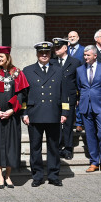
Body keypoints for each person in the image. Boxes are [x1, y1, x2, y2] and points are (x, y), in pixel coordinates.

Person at [22, 42, 69, 187]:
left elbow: (64, 93)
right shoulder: (28, 70)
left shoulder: (59, 70)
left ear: (50, 54)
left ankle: (54, 175)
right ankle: (37, 176)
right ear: (37, 54)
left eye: (47, 53)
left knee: (53, 147)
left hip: (53, 113)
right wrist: (24, 113)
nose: (44, 55)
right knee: (35, 147)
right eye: (41, 53)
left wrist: (65, 112)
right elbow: (23, 95)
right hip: (34, 114)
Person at [0, 46, 29, 188]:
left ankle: (8, 175)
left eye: (1, 56)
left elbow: (21, 95)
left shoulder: (17, 73)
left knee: (11, 146)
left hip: (11, 117)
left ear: (8, 57)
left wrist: (12, 110)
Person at [77, 45, 101, 173]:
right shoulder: (80, 70)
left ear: (95, 56)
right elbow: (80, 87)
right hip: (85, 106)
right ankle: (93, 162)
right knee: (90, 135)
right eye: (85, 55)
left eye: (88, 55)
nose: (85, 57)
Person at [51, 38, 81, 160]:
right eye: (55, 48)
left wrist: (78, 97)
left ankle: (68, 148)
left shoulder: (75, 62)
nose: (56, 50)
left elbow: (79, 82)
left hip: (69, 98)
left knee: (68, 124)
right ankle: (57, 148)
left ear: (65, 48)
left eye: (59, 47)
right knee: (56, 123)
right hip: (55, 98)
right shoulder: (52, 62)